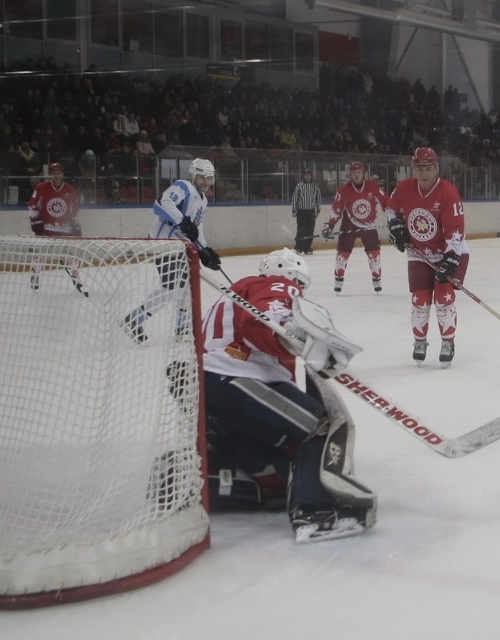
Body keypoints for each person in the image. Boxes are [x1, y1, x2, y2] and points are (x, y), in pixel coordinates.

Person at [200, 249, 376, 542]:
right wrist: (292, 330)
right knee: (321, 426)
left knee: (291, 457)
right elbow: (265, 322)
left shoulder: (235, 295)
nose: (299, 292)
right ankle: (317, 512)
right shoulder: (277, 285)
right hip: (234, 377)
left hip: (209, 393)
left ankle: (229, 480)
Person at [122, 158, 221, 343]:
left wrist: (205, 250)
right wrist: (182, 221)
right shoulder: (183, 186)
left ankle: (182, 326)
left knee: (185, 285)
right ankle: (133, 320)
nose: (206, 181)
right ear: (193, 176)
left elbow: (196, 228)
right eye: (202, 177)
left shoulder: (203, 200)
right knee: (171, 286)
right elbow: (161, 203)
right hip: (163, 241)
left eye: (209, 178)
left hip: (178, 246)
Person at [386, 147, 469, 367]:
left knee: (443, 296)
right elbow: (391, 209)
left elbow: (456, 230)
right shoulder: (404, 188)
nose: (424, 173)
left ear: (436, 168)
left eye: (428, 167)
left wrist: (451, 258)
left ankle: (448, 342)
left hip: (450, 251)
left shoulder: (448, 193)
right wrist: (396, 226)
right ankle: (420, 342)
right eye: (419, 168)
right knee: (420, 299)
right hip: (419, 252)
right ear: (413, 168)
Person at [321, 160, 388, 294]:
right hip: (349, 224)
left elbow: (385, 201)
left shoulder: (372, 186)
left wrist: (393, 217)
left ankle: (377, 279)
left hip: (369, 225)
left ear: (363, 173)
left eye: (359, 172)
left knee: (374, 254)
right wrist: (330, 225)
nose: (357, 175)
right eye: (354, 173)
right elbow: (337, 208)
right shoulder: (344, 189)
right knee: (342, 254)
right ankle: (338, 279)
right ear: (350, 174)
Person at [26, 162, 87, 295]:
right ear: (50, 174)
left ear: (62, 174)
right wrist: (36, 222)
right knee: (40, 255)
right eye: (54, 173)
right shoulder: (41, 188)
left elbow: (75, 210)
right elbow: (31, 206)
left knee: (73, 255)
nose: (56, 176)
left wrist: (75, 224)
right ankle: (35, 276)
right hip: (46, 228)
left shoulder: (71, 190)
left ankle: (75, 276)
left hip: (65, 229)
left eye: (58, 173)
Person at [291, 167, 322, 255]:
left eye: (308, 175)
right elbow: (295, 198)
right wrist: (294, 210)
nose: (307, 176)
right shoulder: (299, 185)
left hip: (311, 211)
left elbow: (318, 198)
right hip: (301, 211)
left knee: (310, 230)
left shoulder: (315, 186)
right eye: (305, 175)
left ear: (311, 176)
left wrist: (318, 210)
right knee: (301, 230)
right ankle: (299, 248)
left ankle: (307, 248)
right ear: (303, 176)